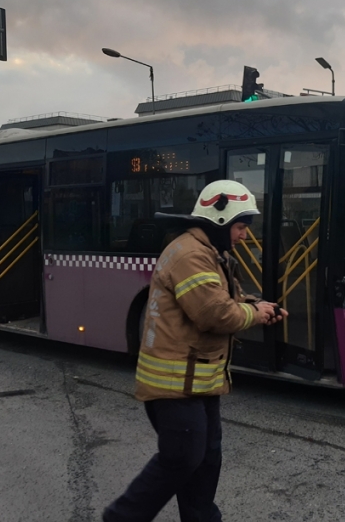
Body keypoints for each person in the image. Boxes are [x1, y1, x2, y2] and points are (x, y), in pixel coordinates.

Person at [103, 180, 287, 522]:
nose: (244, 236)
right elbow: (214, 314)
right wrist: (255, 314)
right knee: (182, 458)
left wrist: (256, 303)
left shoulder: (207, 252)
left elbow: (223, 299)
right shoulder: (191, 255)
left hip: (199, 379)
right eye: (240, 226)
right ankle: (122, 516)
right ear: (219, 222)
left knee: (206, 459)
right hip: (174, 384)